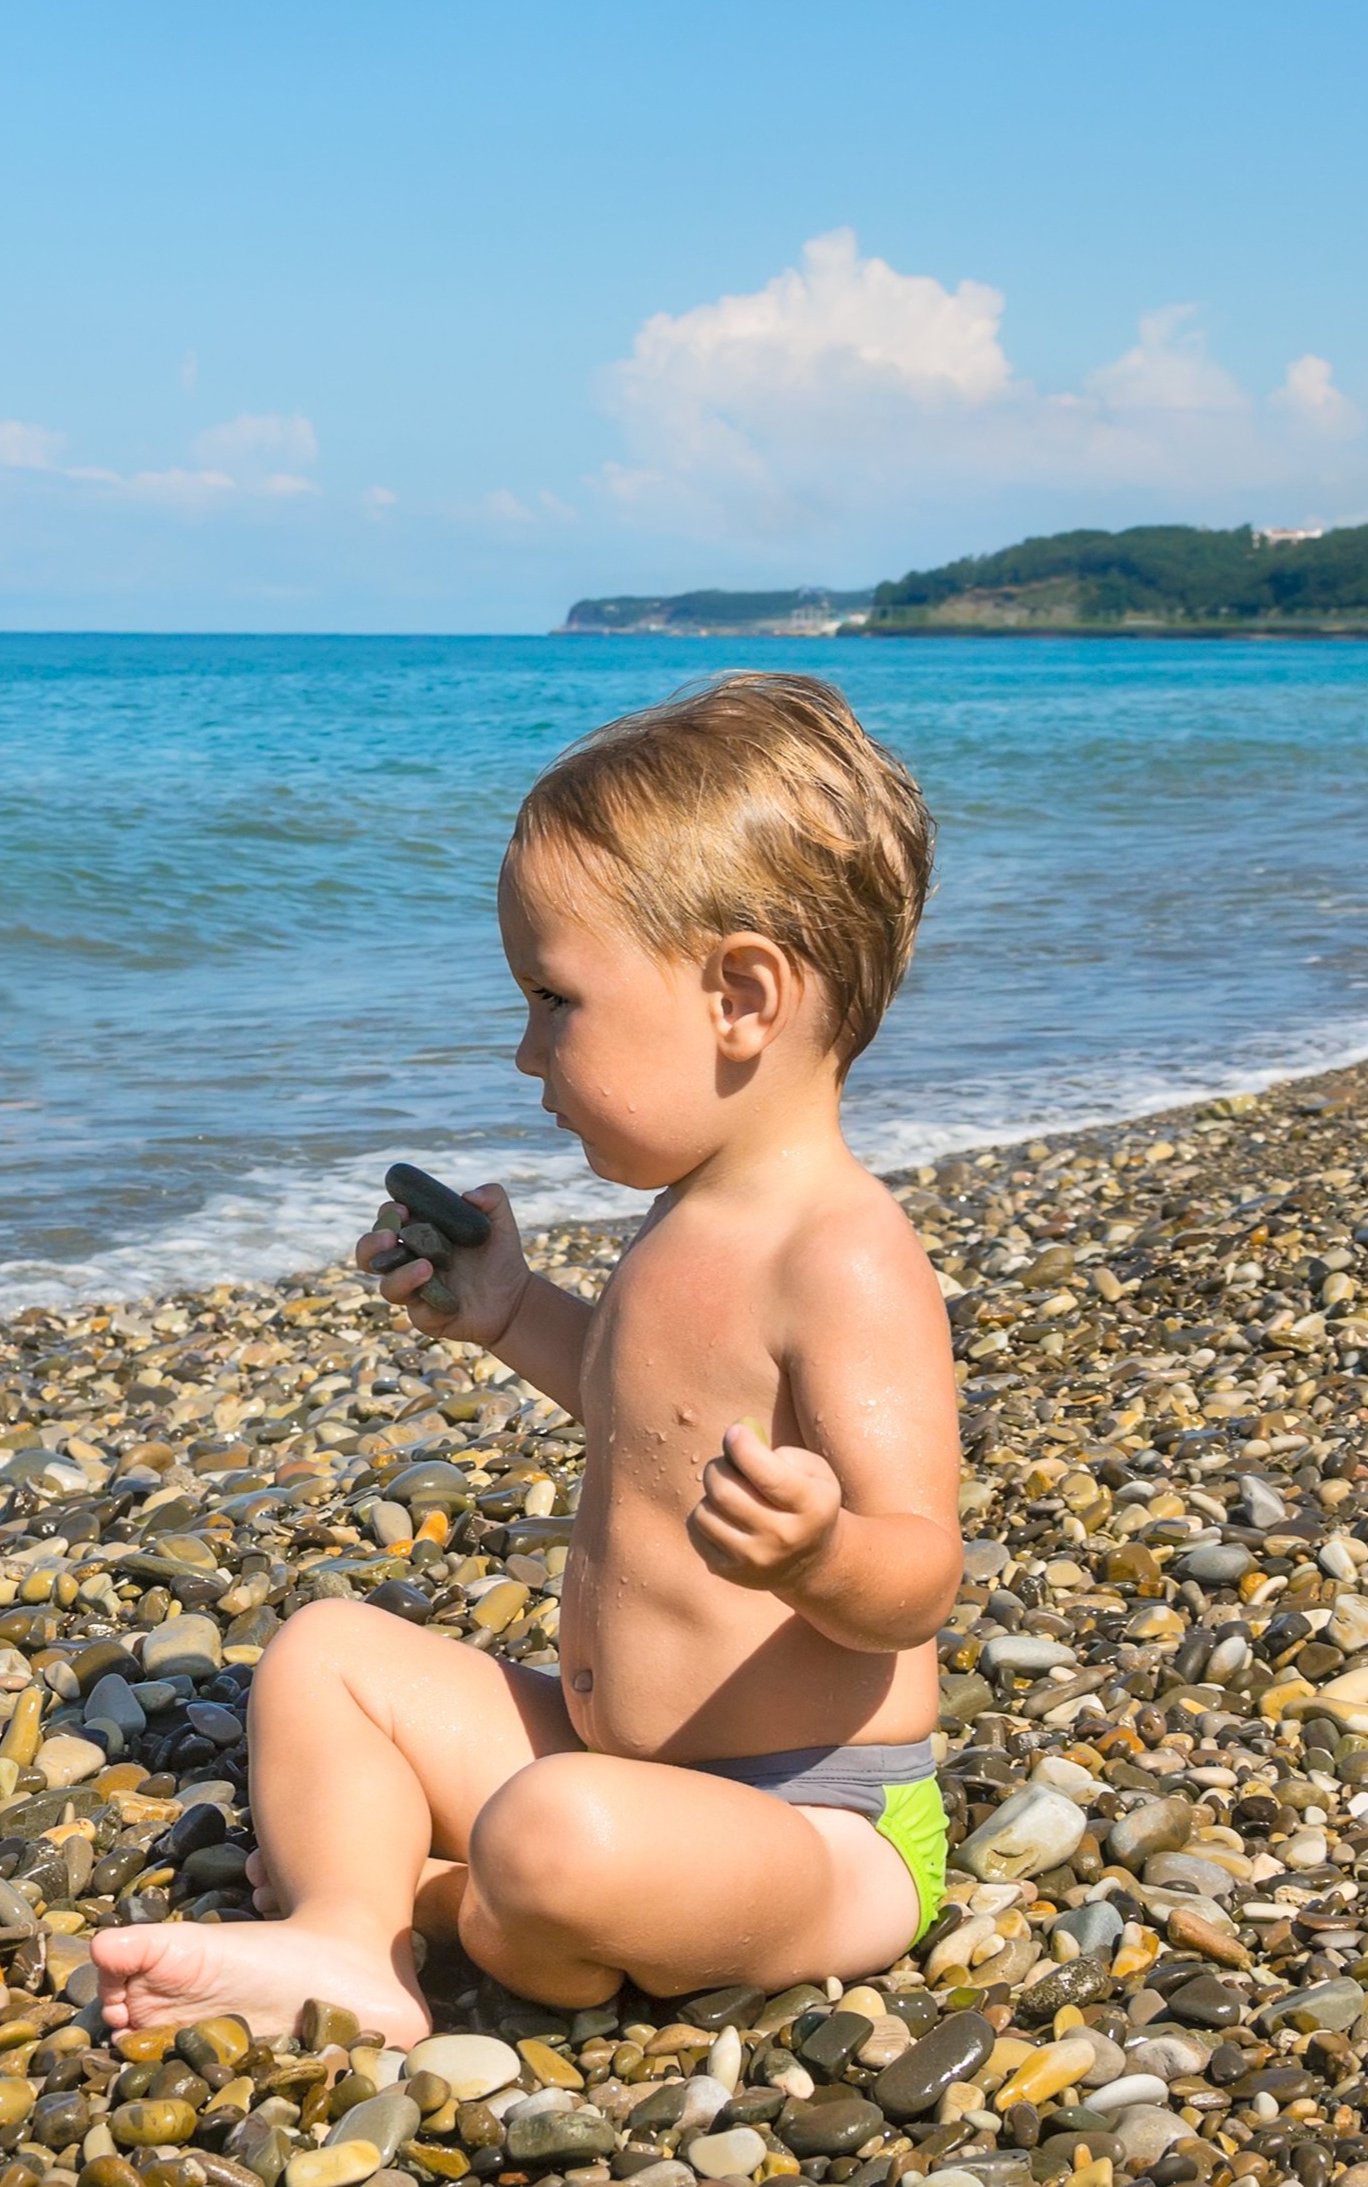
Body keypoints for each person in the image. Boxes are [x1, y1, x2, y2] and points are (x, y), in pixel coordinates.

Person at [90, 672, 964, 2042]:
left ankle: (463, 1909)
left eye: (557, 1002)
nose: (524, 1051)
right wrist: (510, 1313)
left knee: (551, 1837)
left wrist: (822, 1554)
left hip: (816, 1819)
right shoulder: (687, 1217)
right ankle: (352, 1940)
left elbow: (919, 1572)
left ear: (742, 994)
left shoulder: (842, 1252)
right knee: (323, 1654)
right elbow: (649, 1410)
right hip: (611, 1748)